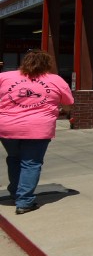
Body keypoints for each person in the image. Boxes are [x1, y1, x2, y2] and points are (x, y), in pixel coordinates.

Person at [0, 49, 74, 214]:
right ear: (47, 64)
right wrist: (65, 111)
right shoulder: (56, 80)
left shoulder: (5, 77)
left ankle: (15, 193)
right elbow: (68, 104)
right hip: (38, 128)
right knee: (31, 163)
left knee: (14, 159)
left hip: (7, 127)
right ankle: (24, 201)